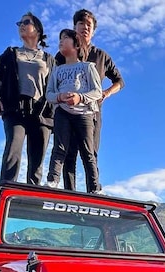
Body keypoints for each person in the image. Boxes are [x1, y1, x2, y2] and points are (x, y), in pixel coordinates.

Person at [53, 9, 124, 191]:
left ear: (93, 31)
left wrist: (106, 93)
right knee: (68, 153)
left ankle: (93, 191)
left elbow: (119, 81)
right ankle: (70, 192)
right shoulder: (62, 55)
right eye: (81, 24)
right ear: (74, 27)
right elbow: (52, 82)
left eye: (89, 25)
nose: (85, 28)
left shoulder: (101, 56)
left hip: (91, 113)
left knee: (90, 152)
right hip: (66, 113)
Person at [0, 12, 55, 185]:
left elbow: (56, 85)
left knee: (37, 158)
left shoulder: (49, 59)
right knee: (13, 148)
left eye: (26, 22)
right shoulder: (11, 53)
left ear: (38, 29)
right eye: (19, 22)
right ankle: (6, 188)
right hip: (15, 108)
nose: (21, 25)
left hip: (41, 111)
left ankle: (33, 197)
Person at [45, 29, 103, 194]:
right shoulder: (56, 70)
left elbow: (97, 91)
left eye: (65, 38)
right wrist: (60, 96)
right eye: (60, 39)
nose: (61, 41)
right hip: (62, 112)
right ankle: (52, 180)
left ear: (76, 44)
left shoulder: (88, 67)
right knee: (59, 147)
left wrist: (80, 97)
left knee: (87, 151)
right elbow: (49, 94)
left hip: (84, 114)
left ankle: (94, 188)